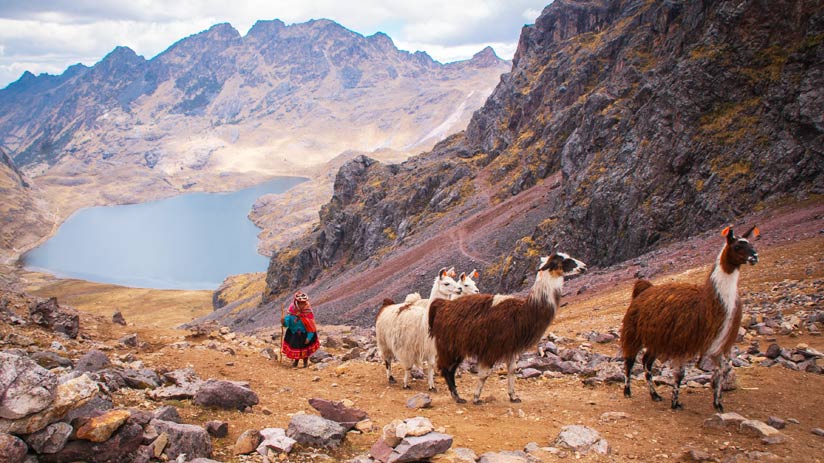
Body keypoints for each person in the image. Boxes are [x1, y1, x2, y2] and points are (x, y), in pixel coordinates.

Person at [281, 291, 320, 368]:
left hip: (305, 333)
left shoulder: (308, 311)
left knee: (305, 348)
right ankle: (296, 362)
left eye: (304, 303)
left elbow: (311, 325)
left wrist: (309, 337)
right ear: (296, 302)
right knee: (297, 348)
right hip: (294, 334)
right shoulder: (292, 311)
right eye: (300, 303)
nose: (303, 305)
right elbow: (287, 323)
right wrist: (283, 322)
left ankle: (305, 363)